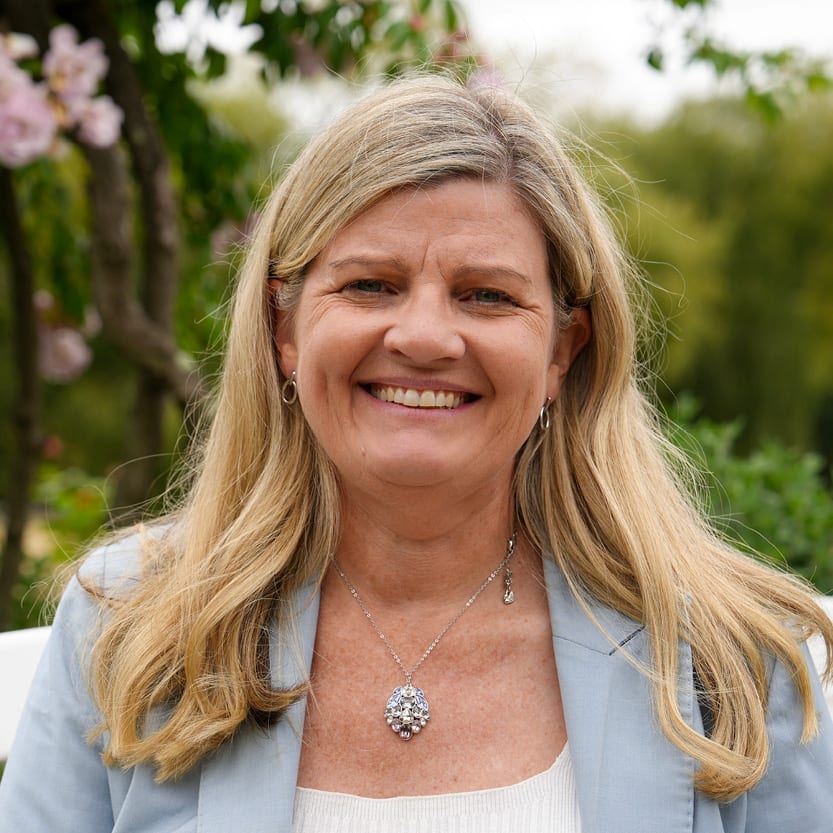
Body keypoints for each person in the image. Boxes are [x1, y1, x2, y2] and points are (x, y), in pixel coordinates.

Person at [1, 74, 832, 833]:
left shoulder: (733, 657)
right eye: (370, 284)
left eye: (486, 295)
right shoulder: (124, 628)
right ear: (284, 329)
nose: (425, 337)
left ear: (562, 350)